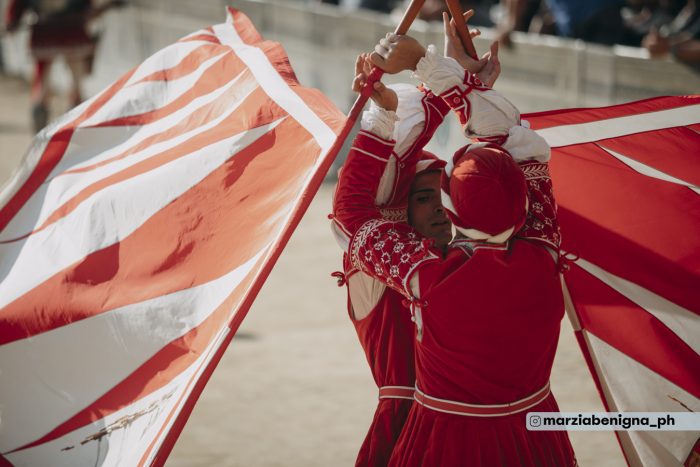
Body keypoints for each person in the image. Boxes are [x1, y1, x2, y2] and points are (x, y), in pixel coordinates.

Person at [334, 30, 576, 465]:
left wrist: (395, 106)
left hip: (441, 445)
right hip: (537, 439)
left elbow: (353, 211)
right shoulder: (543, 249)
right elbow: (518, 142)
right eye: (422, 198)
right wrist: (445, 75)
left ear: (452, 208)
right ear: (525, 202)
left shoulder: (423, 270)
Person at [331, 13, 501, 466]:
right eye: (424, 199)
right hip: (413, 437)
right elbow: (355, 208)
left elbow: (502, 175)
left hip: (488, 436)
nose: (441, 208)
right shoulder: (381, 271)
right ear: (398, 215)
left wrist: (455, 76)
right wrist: (397, 106)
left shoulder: (471, 260)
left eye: (444, 196)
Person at [4, 0, 122, 132]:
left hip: (53, 30)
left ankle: (62, 129)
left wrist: (12, 19)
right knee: (68, 85)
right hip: (64, 29)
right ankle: (66, 128)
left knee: (54, 85)